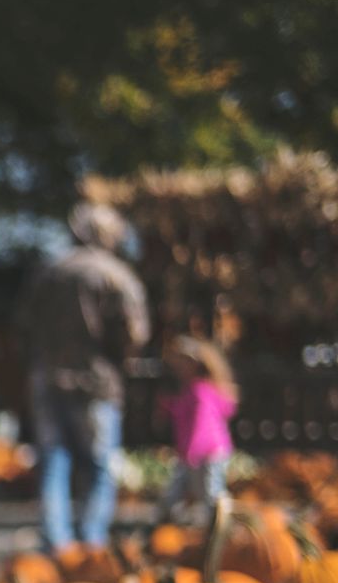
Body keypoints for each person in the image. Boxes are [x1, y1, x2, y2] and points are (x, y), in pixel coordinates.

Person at [21, 202, 150, 551]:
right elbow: (134, 332)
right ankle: (92, 542)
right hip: (97, 381)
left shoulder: (49, 271)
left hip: (48, 377)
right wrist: (122, 360)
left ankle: (56, 541)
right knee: (98, 464)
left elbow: (25, 325)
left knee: (54, 460)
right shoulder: (116, 275)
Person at [157, 335, 238, 522]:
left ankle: (223, 525)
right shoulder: (194, 389)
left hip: (206, 452)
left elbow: (201, 423)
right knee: (184, 489)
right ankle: (174, 521)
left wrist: (191, 449)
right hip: (196, 452)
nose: (178, 368)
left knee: (211, 492)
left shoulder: (200, 392)